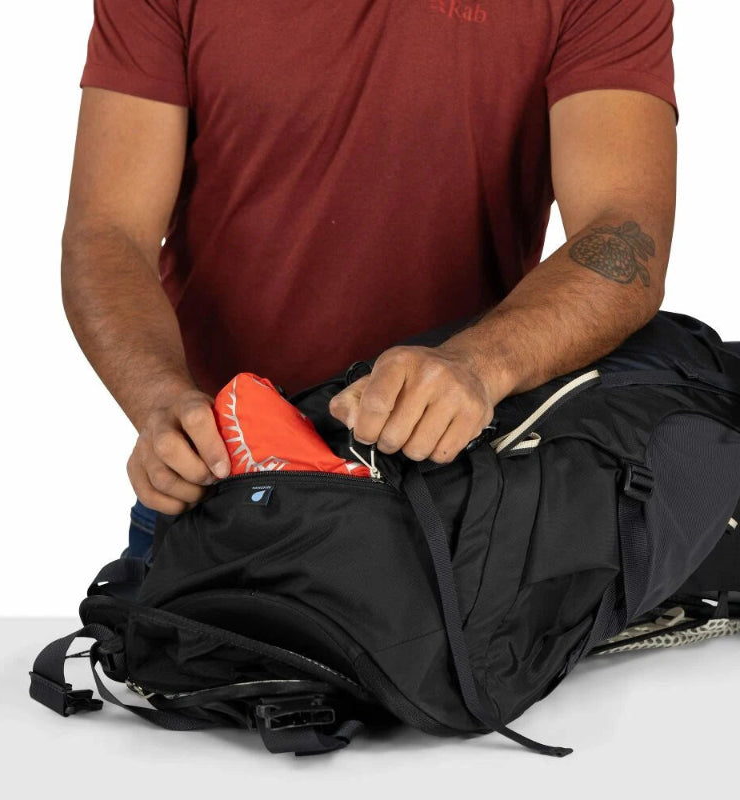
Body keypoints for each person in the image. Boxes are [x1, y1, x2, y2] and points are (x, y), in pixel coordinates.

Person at [62, 0, 677, 559]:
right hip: (222, 483)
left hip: (449, 496)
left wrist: (479, 362)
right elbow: (109, 232)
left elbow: (624, 234)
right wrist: (160, 401)